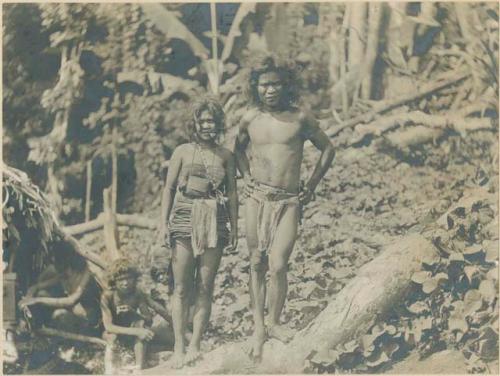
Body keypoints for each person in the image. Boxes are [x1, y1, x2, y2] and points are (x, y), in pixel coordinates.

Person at [234, 54, 335, 361]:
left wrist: (312, 185)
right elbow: (237, 149)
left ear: (285, 86)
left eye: (276, 84)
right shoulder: (250, 118)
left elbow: (328, 147)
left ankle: (275, 322)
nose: (270, 90)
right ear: (256, 87)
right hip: (257, 199)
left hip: (288, 200)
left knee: (278, 264)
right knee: (256, 262)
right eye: (265, 85)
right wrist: (246, 177)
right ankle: (259, 327)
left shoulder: (300, 118)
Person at [158, 96, 238, 368]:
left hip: (214, 219)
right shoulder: (181, 151)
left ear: (218, 124)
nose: (207, 125)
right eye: (202, 121)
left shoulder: (226, 155)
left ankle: (195, 345)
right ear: (195, 123)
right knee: (181, 287)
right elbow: (168, 189)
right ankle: (179, 345)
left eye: (212, 121)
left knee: (205, 285)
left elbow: (233, 194)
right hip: (183, 216)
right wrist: (162, 225)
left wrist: (235, 227)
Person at [100, 258, 173, 373]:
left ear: (134, 278)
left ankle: (139, 367)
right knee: (111, 336)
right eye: (120, 280)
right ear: (114, 281)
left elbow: (148, 320)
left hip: (133, 330)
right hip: (116, 332)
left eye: (128, 278)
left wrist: (132, 312)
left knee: (141, 324)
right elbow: (109, 326)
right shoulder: (108, 297)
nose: (125, 283)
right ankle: (110, 370)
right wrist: (137, 332)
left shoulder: (136, 293)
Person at [18, 243, 101, 333]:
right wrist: (31, 292)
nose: (55, 266)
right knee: (42, 293)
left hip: (87, 317)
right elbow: (43, 284)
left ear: (65, 261)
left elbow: (70, 301)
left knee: (59, 315)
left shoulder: (86, 274)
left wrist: (37, 300)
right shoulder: (65, 270)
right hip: (73, 309)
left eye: (57, 263)